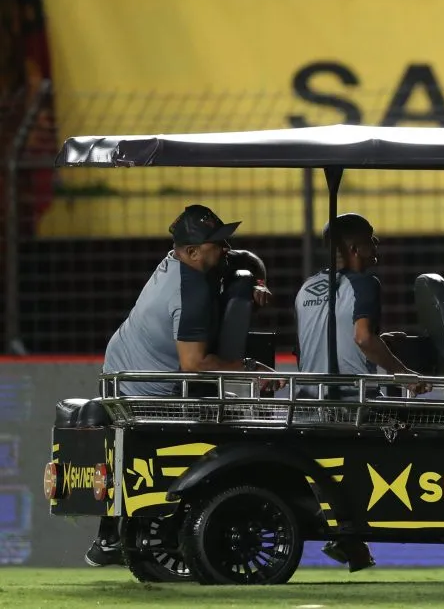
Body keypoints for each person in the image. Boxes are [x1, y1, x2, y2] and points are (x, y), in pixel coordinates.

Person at [87, 204, 277, 567]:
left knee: (134, 455)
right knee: (216, 442)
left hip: (120, 374)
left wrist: (253, 280)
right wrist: (251, 370)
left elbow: (239, 259)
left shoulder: (176, 259)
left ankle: (108, 539)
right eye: (216, 244)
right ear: (189, 251)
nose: (225, 249)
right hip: (146, 390)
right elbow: (195, 365)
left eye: (224, 241)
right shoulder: (191, 292)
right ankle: (137, 533)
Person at [293, 213, 425, 573]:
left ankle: (350, 542)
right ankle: (357, 532)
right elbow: (362, 338)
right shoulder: (366, 284)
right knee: (412, 435)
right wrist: (405, 374)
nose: (376, 244)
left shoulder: (305, 288)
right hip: (349, 401)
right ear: (353, 248)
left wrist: (385, 344)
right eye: (371, 239)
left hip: (306, 401)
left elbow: (314, 345)